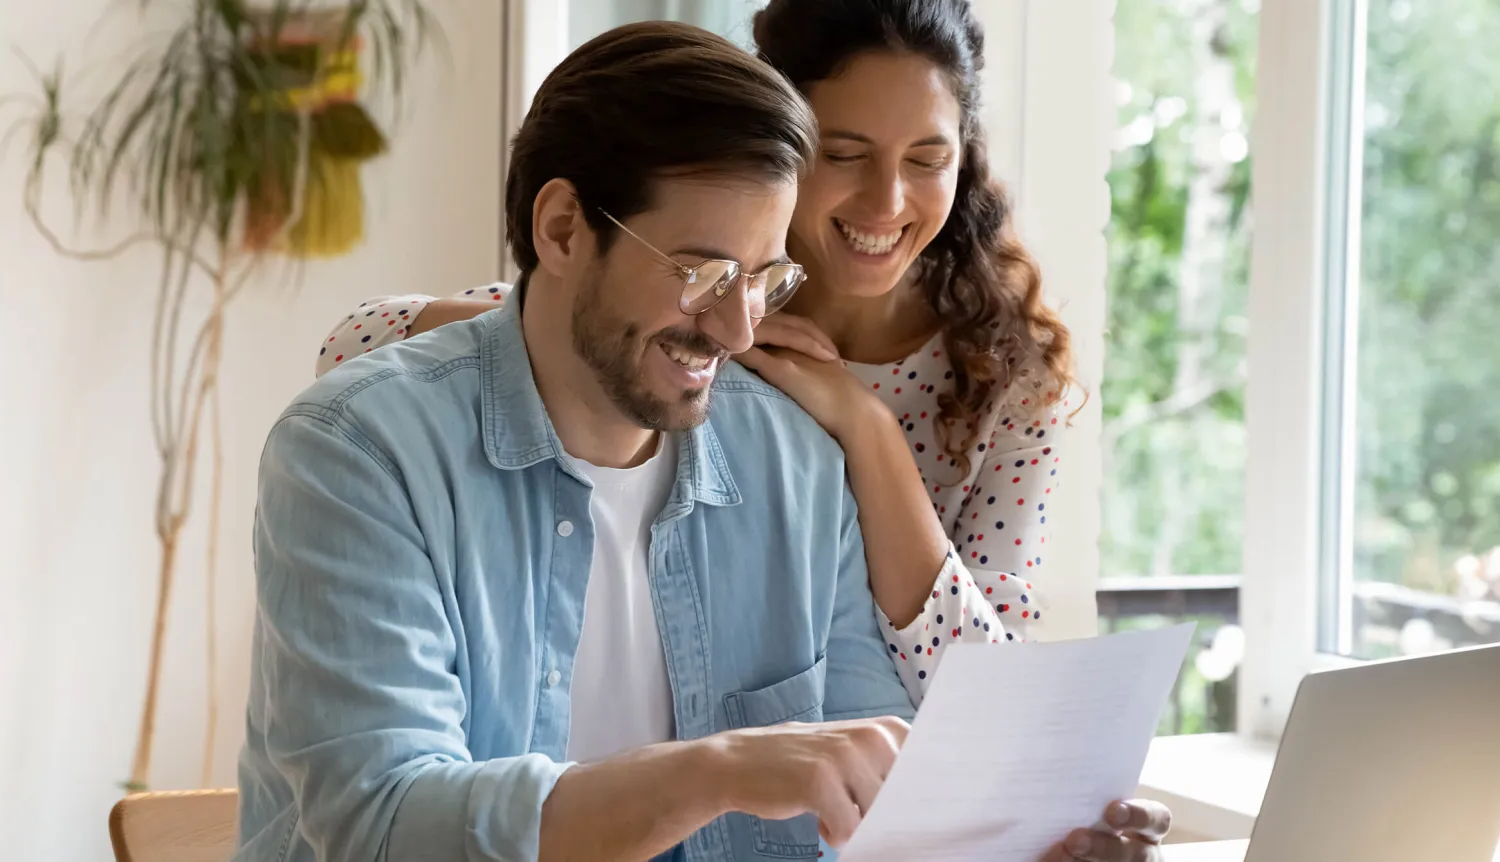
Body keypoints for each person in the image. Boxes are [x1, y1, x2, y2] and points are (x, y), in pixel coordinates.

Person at [238, 18, 1165, 862]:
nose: (734, 330)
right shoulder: (360, 453)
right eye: (703, 272)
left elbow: (875, 813)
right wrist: (720, 770)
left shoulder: (798, 462)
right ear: (562, 229)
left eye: (764, 280)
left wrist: (1021, 848)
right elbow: (383, 826)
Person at [319, 0, 1076, 707]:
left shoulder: (1003, 375)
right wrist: (579, 321)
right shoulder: (674, 320)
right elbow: (354, 346)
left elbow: (989, 695)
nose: (887, 202)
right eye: (844, 154)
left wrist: (866, 431)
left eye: (926, 160)